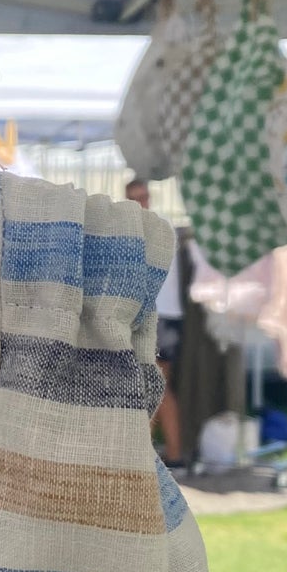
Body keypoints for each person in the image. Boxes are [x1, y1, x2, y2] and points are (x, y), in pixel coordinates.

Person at [125, 176, 185, 467]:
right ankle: (153, 453)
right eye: (135, 198)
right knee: (152, 387)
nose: (140, 203)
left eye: (143, 197)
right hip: (161, 315)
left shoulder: (154, 230)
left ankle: (170, 453)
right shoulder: (156, 228)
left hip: (160, 316)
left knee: (157, 386)